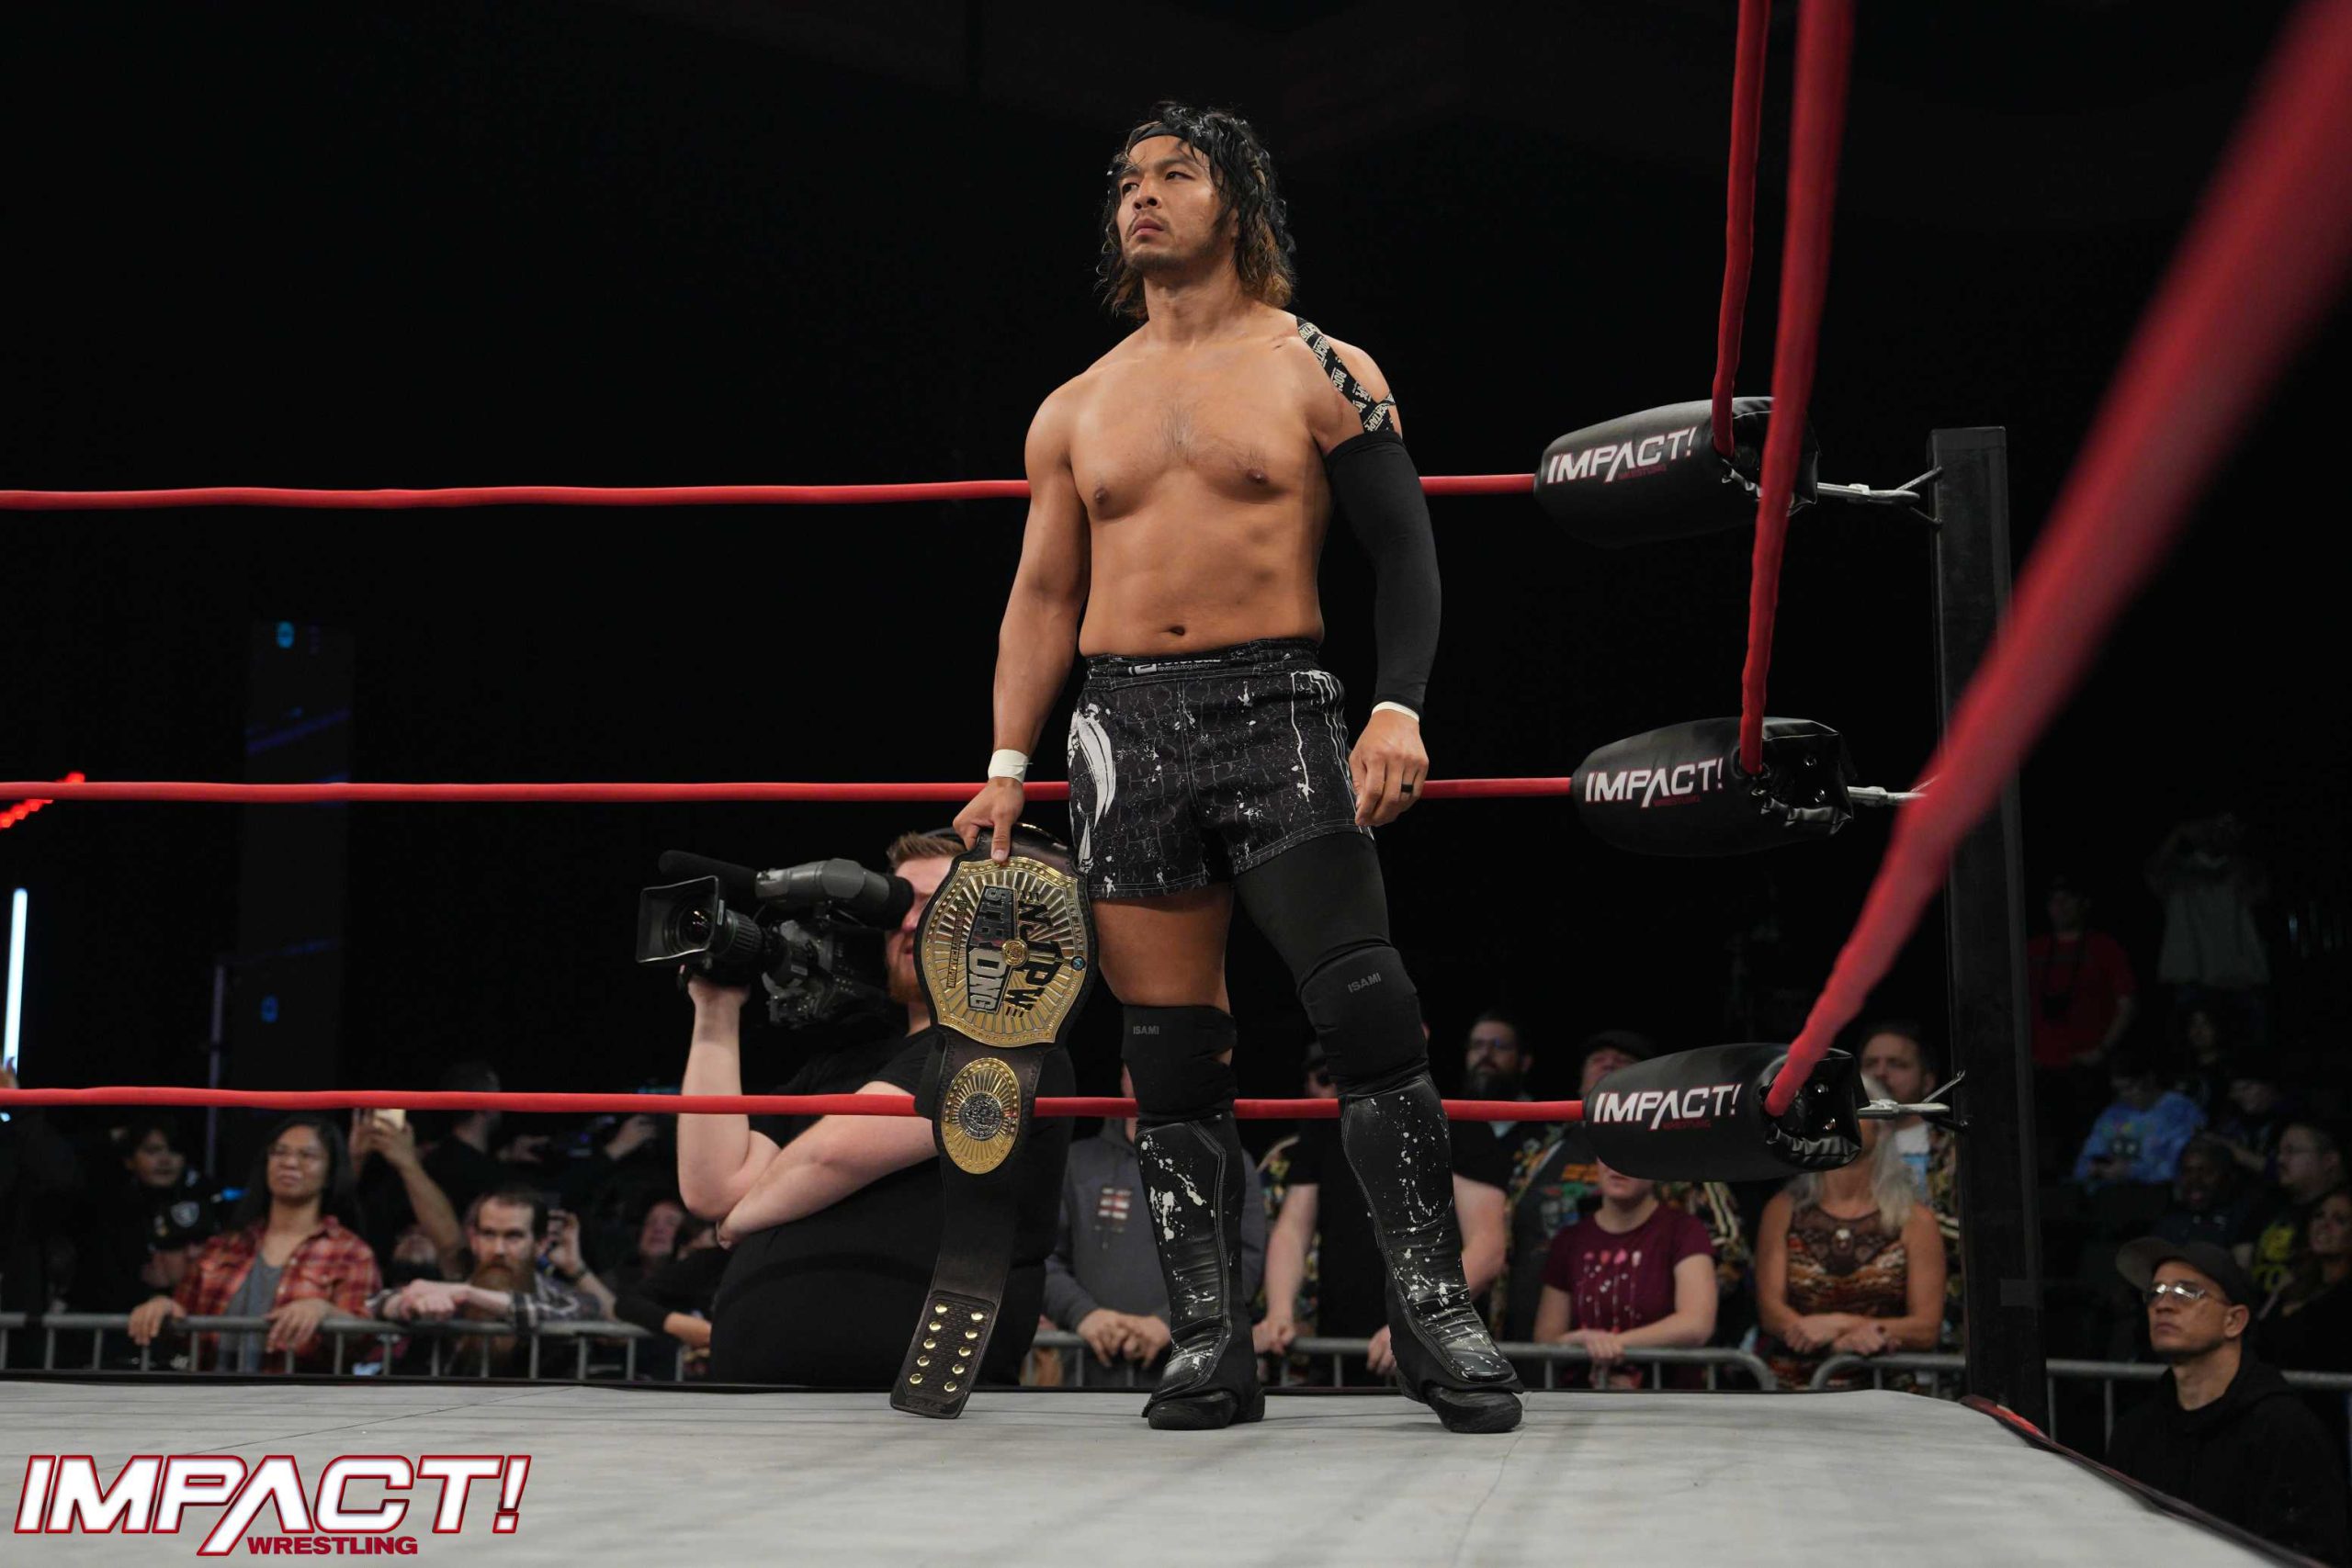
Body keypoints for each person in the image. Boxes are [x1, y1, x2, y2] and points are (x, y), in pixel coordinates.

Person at [953, 101, 1518, 1432]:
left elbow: (1406, 549)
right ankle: (1210, 1341)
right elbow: (1043, 595)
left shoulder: (1318, 364)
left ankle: (1435, 1313)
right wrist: (1005, 762)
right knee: (1167, 1051)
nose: (1142, 196)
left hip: (1279, 706)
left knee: (1369, 1011)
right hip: (1120, 723)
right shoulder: (1075, 405)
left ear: (1239, 205)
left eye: (1176, 174)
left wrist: (1399, 708)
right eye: (1127, 181)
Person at [693, 829, 1069, 1387]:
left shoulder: (1013, 1042)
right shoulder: (841, 1061)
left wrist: (742, 1218)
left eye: (940, 904)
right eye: (900, 906)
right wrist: (715, 1011)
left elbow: (832, 1156)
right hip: (751, 1394)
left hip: (915, 1398)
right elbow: (712, 1187)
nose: (912, 922)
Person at [1492, 1032, 1750, 1347]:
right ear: (1580, 1081)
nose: (1609, 1065)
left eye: (1623, 1062)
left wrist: (1668, 1309)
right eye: (1598, 1060)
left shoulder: (1676, 1152)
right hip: (1538, 1337)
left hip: (1647, 1345)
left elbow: (1729, 1247)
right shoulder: (1540, 1150)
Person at [2107, 1237, 2347, 1563]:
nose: (2163, 1304)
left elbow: (2311, 1552)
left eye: (2186, 1292)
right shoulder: (2135, 1431)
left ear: (2234, 1321)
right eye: (2155, 1292)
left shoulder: (2285, 1430)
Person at [1046, 1067, 1267, 1385]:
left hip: (1195, 1374)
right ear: (1122, 1076)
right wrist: (1083, 1314)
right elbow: (1044, 1257)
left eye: (1163, 1060)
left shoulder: (1225, 1162)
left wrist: (1172, 1321)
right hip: (1089, 1374)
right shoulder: (1076, 1162)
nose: (1151, 1071)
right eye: (1137, 1063)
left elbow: (1243, 1262)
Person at [124, 1113, 381, 1371]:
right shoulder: (225, 1245)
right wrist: (163, 1308)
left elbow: (365, 1339)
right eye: (279, 1152)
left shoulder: (350, 1252)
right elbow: (183, 1320)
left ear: (329, 1172)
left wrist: (324, 1311)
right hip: (211, 1392)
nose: (289, 1162)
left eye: (307, 1155)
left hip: (300, 1394)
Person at [1755, 1077, 1947, 1389]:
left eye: (1854, 1106)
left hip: (1883, 1392)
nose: (1839, 1114)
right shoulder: (1783, 1209)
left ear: (1882, 1125)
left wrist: (1840, 1325)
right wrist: (1833, 1344)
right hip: (1796, 1389)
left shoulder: (1915, 1220)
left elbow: (1926, 1328)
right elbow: (1771, 1312)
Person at [1530, 1160, 1715, 1388]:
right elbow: (1545, 1339)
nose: (1617, 1166)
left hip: (1665, 1398)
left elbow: (1696, 1324)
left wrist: (1612, 1345)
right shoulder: (1570, 1240)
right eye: (1608, 1155)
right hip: (1584, 1399)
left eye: (1629, 1155)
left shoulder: (1684, 1230)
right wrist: (1578, 1341)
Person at [372, 1186, 605, 1344]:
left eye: (513, 1236)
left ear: (540, 1245)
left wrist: (469, 1294)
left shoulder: (563, 1297)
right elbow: (374, 1303)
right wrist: (405, 1304)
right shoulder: (450, 1292)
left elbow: (582, 1312)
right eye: (489, 1234)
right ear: (474, 1240)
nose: (498, 1250)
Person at [1857, 1021, 1962, 1341]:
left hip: (1940, 1312)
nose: (1880, 1073)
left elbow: (1977, 1236)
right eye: (1870, 1064)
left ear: (1928, 1081)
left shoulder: (1955, 1150)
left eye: (1897, 1064)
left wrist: (1907, 1226)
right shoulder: (1834, 1147)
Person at [2146, 813, 2270, 1047]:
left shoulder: (2244, 868)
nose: (2220, 831)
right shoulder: (2177, 871)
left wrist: (2234, 845)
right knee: (2195, 1053)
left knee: (2249, 1053)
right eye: (2216, 824)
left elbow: (2259, 892)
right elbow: (2153, 871)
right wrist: (2178, 835)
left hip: (2240, 978)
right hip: (2192, 978)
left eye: (2230, 826)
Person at [2027, 873, 2138, 1075]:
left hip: (2087, 1065)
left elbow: (2127, 1004)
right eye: (2054, 900)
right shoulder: (2033, 950)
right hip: (2038, 1066)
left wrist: (2101, 1050)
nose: (2060, 906)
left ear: (2084, 903)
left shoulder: (2104, 948)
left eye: (2067, 898)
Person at [2071, 1046, 2206, 1189]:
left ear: (2149, 1080)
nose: (2124, 1096)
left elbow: (2182, 1165)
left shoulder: (2181, 1111)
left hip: (2160, 1192)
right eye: (2118, 1090)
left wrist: (2132, 1171)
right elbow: (2085, 1160)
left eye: (2129, 1088)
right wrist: (2093, 1169)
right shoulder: (2113, 1113)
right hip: (2109, 1193)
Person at [2243, 1121, 2346, 1296]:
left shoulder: (2343, 1212)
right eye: (2280, 1152)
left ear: (2329, 1160)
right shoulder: (2269, 1203)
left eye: (2292, 1151)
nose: (2280, 1159)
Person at [2153, 1137, 2261, 1253]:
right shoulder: (2169, 1221)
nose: (2195, 1180)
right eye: (2187, 1172)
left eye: (2206, 1172)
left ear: (2227, 1176)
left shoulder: (2241, 1220)